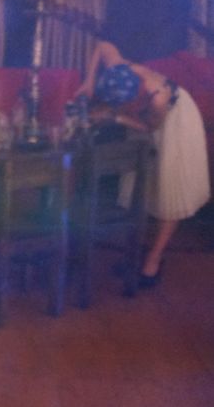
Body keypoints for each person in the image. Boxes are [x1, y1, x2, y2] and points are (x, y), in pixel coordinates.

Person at [77, 39, 211, 286]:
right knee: (140, 181)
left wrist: (116, 117)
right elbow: (102, 45)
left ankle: (153, 259)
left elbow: (150, 127)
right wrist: (89, 81)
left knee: (170, 187)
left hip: (175, 119)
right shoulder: (120, 66)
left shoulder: (158, 98)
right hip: (146, 116)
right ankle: (134, 252)